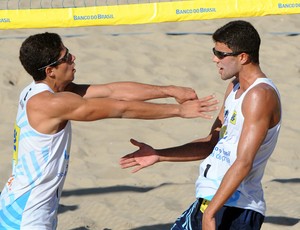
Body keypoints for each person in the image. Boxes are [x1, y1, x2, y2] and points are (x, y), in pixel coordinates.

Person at [0, 32, 218, 229]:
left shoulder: (37, 91)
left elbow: (113, 90)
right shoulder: (51, 103)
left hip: (19, 202)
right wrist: (179, 111)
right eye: (65, 57)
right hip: (27, 215)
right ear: (50, 71)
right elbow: (120, 108)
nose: (73, 58)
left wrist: (168, 90)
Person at [120, 20, 282, 229]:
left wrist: (210, 214)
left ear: (243, 57)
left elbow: (244, 162)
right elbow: (211, 143)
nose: (215, 59)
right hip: (211, 201)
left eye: (221, 54)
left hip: (235, 209)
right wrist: (159, 155)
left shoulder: (260, 95)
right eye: (214, 52)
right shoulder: (235, 88)